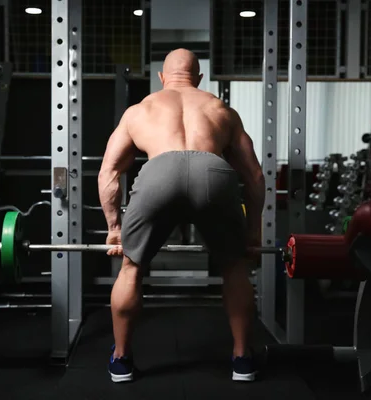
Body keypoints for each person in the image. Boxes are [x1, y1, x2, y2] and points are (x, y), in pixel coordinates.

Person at [98, 49, 265, 383]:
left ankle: (121, 361)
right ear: (200, 78)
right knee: (234, 266)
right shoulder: (222, 110)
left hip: (159, 171)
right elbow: (255, 176)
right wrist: (253, 232)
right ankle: (243, 360)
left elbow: (109, 174)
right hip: (213, 172)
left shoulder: (139, 110)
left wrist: (114, 229)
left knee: (131, 268)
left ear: (162, 77)